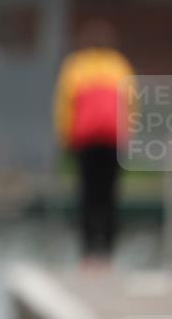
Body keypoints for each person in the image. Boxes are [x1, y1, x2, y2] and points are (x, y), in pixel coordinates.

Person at [53, 20, 135, 262]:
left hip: (85, 139)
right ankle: (108, 250)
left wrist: (64, 136)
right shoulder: (120, 65)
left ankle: (88, 251)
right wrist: (129, 133)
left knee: (88, 193)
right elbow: (132, 103)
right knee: (110, 193)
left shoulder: (75, 66)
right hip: (113, 139)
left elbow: (64, 105)